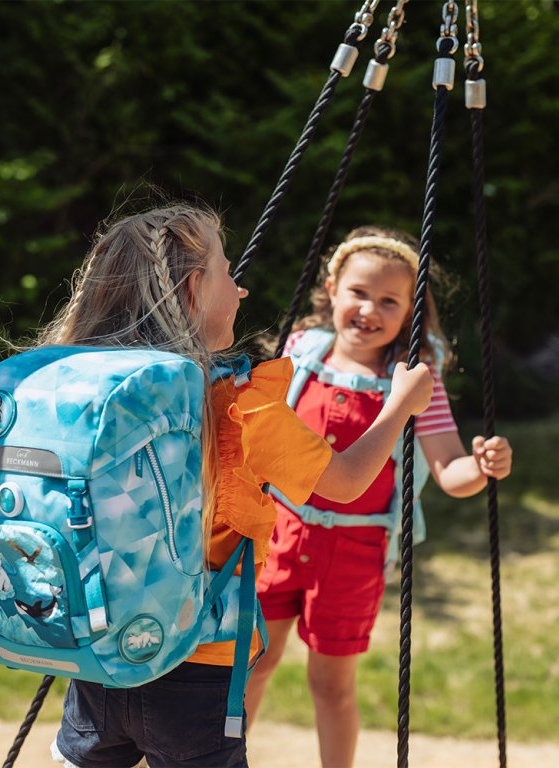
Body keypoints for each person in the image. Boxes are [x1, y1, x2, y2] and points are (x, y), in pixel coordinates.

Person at [45, 205, 434, 768]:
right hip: (196, 660)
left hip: (99, 651)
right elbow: (346, 482)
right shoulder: (243, 405)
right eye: (229, 273)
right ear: (194, 288)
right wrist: (399, 406)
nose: (242, 289)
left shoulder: (75, 385)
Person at [242, 225, 514, 768]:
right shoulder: (300, 350)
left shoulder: (413, 381)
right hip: (277, 534)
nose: (370, 310)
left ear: (410, 311)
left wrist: (482, 467)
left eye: (390, 301)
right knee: (252, 663)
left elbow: (449, 470)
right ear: (332, 288)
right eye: (359, 293)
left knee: (331, 684)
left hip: (353, 554)